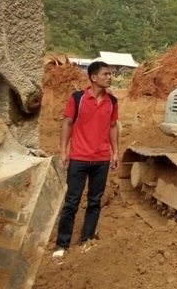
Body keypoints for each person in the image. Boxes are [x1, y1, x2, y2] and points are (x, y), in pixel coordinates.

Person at [52, 61, 119, 259]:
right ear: (93, 77)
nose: (109, 77)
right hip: (79, 158)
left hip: (101, 160)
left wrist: (115, 152)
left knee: (94, 202)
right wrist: (63, 150)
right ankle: (61, 245)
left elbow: (113, 127)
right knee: (71, 202)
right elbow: (67, 123)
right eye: (105, 74)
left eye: (110, 74)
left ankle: (85, 240)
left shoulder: (112, 102)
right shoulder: (77, 98)